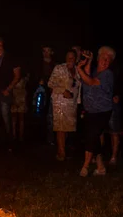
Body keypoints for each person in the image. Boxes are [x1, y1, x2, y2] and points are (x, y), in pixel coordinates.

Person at [77, 46, 115, 177]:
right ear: (98, 59)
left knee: (92, 136)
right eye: (104, 58)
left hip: (102, 111)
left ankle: (85, 166)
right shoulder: (94, 71)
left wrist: (78, 68)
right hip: (90, 111)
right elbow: (86, 78)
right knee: (95, 139)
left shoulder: (107, 74)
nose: (106, 62)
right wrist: (89, 60)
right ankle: (101, 168)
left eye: (108, 60)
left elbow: (91, 82)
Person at [48, 49, 81, 161]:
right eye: (68, 57)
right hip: (60, 101)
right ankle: (61, 152)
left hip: (71, 103)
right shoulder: (59, 68)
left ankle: (63, 149)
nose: (70, 60)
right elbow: (50, 83)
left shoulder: (77, 70)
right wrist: (63, 90)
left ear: (76, 59)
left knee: (67, 128)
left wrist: (78, 101)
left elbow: (78, 87)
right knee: (60, 127)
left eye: (72, 58)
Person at [11, 71, 29, 143]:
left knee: (20, 118)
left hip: (21, 97)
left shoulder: (24, 76)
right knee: (14, 118)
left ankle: (20, 136)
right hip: (15, 97)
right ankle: (14, 135)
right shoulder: (14, 75)